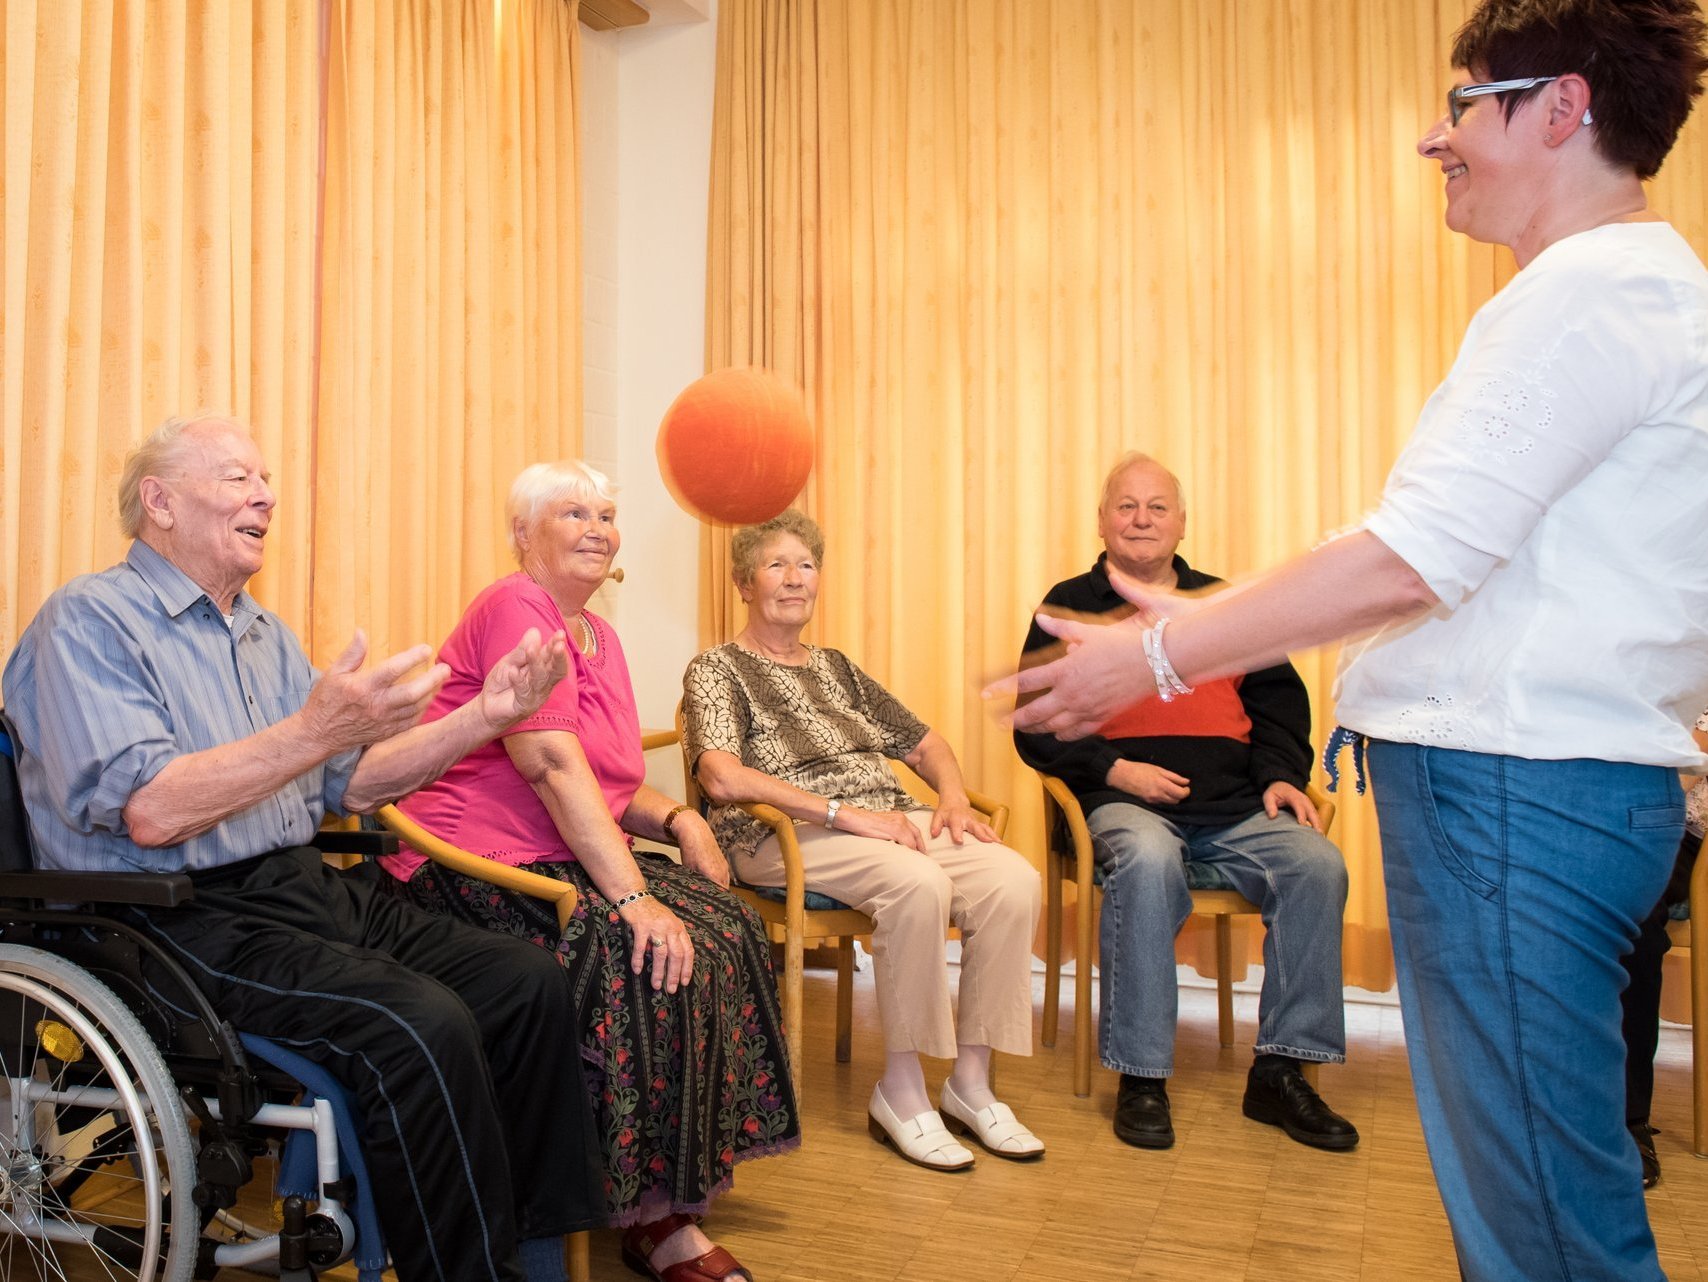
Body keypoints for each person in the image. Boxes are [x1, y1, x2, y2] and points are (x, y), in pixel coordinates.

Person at [995, 3, 1708, 1277]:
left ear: (1562, 106)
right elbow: (1426, 547)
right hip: (1535, 801)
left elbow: (1411, 557)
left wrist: (1156, 654)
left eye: (1462, 104)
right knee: (1537, 1205)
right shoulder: (1622, 294)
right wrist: (1194, 618)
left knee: (1545, 1224)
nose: (1434, 139)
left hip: (1518, 802)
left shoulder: (1589, 297)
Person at [1, 414, 598, 1282]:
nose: (265, 494)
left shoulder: (262, 633)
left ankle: (535, 1258)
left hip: (295, 888)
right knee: (418, 1025)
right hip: (171, 916)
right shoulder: (89, 624)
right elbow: (153, 811)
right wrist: (316, 727)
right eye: (238, 476)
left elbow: (347, 787)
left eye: (266, 478)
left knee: (526, 981)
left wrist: (485, 718)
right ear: (159, 503)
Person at [382, 461, 797, 1282]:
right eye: (573, 513)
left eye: (606, 514)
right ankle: (646, 1213)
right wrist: (637, 894)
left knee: (726, 921)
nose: (598, 529)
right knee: (634, 948)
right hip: (471, 862)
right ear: (522, 535)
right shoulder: (516, 607)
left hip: (564, 851)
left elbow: (607, 776)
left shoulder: (597, 634)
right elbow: (551, 766)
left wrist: (679, 822)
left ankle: (664, 1190)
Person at [682, 509, 1043, 1173]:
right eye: (776, 565)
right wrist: (847, 814)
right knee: (918, 883)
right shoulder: (717, 668)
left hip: (889, 819)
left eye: (806, 565)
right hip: (782, 832)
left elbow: (926, 742)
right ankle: (901, 1092)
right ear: (744, 584)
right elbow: (721, 776)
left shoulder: (838, 668)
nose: (794, 579)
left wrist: (955, 799)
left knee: (1013, 880)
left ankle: (971, 1082)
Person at [1015, 452, 1355, 1152]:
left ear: (1181, 522)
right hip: (1124, 806)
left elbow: (1278, 706)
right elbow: (1037, 719)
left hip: (1234, 807)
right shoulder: (1068, 604)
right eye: (1127, 506)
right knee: (1144, 859)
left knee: (1316, 864)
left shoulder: (1225, 604)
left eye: (1157, 506)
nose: (1142, 519)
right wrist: (1116, 769)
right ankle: (1142, 1076)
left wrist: (1282, 773)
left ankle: (1282, 1069)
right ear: (1103, 521)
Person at [1620, 705, 1707, 1186]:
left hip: (1690, 831)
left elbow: (1690, 757)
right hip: (1663, 819)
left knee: (1636, 922)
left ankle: (1630, 1120)